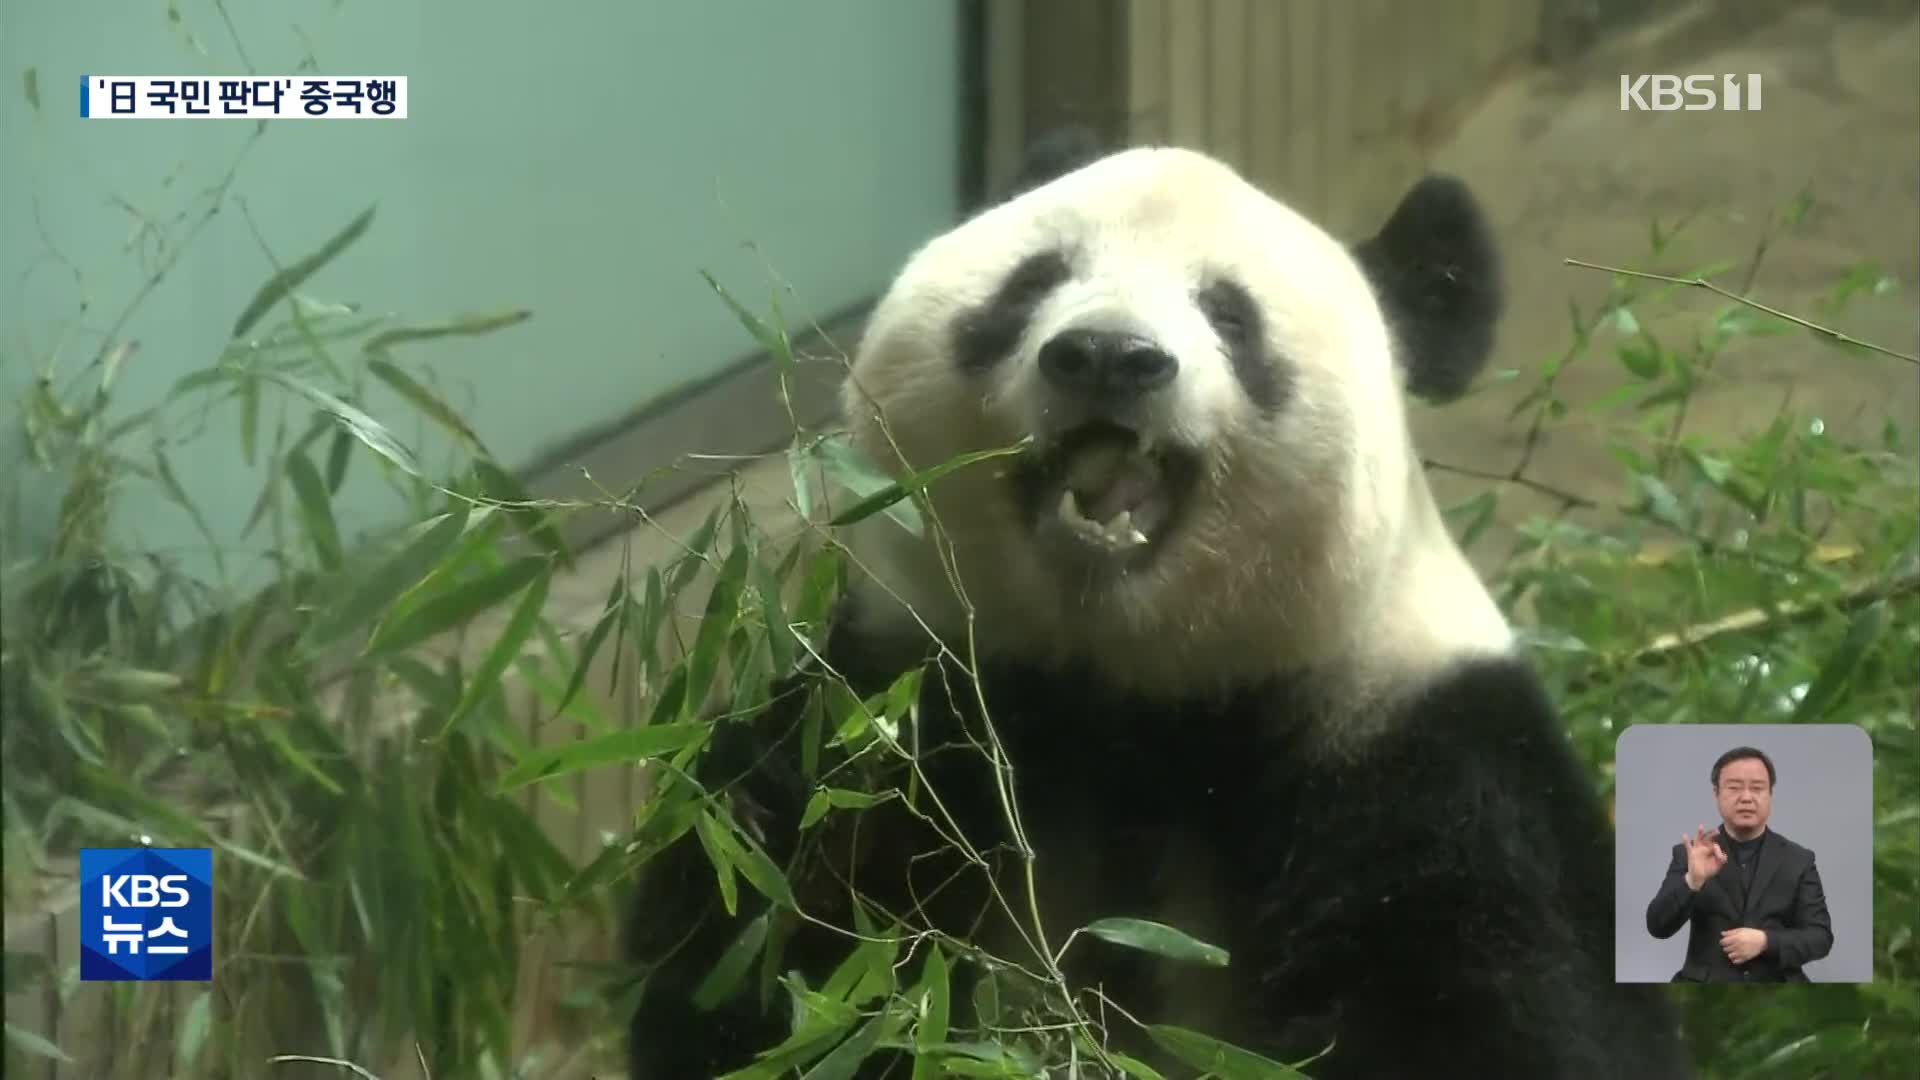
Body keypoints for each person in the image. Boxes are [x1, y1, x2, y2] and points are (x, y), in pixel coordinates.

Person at [1644, 746, 1834, 982]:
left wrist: (1766, 942)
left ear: (1770, 794)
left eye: (1757, 788)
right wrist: (1692, 882)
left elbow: (1820, 937)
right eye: (1734, 788)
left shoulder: (1799, 859)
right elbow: (1657, 926)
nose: (1746, 797)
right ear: (1716, 794)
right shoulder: (1691, 855)